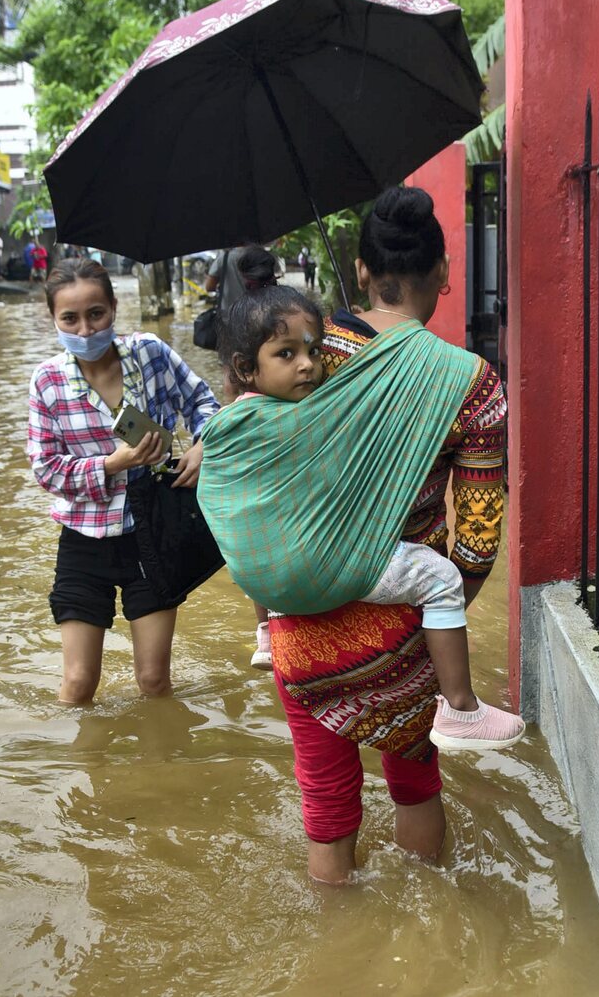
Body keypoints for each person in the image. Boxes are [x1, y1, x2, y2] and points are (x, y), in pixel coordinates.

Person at [199, 187, 519, 884]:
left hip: (301, 626)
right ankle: (426, 937)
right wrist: (441, 610)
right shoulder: (474, 385)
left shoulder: (298, 355)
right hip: (409, 632)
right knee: (415, 781)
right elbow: (480, 538)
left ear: (362, 272)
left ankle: (338, 945)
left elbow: (253, 475)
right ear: (442, 274)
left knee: (326, 798)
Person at [28, 258, 219, 704]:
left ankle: (162, 767)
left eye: (96, 313)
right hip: (83, 539)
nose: (86, 328)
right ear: (53, 319)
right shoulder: (48, 382)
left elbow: (204, 403)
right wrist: (112, 464)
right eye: (70, 318)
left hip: (151, 533)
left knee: (153, 681)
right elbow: (45, 468)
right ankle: (80, 769)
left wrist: (202, 445)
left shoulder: (150, 353)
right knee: (78, 685)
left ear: (114, 307)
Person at [218, 244, 282, 669]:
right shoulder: (291, 310)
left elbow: (228, 391)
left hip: (251, 438)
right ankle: (280, 622)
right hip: (289, 428)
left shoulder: (238, 318)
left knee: (257, 535)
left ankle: (265, 631)